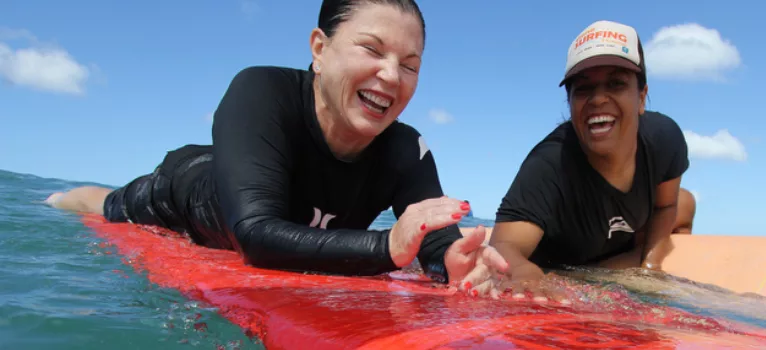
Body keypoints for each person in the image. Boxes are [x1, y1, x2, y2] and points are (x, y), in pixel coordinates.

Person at [44, 0, 505, 286]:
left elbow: (431, 243)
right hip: (184, 194)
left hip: (256, 199)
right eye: (372, 49)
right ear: (320, 49)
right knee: (104, 205)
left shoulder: (408, 148)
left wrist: (451, 260)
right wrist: (386, 247)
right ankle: (68, 196)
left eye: (410, 64)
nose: (390, 75)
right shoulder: (261, 92)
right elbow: (256, 236)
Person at [474, 20, 690, 302]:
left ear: (641, 98)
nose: (599, 99)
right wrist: (527, 274)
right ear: (570, 103)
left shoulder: (665, 139)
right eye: (584, 89)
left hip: (622, 235)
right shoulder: (550, 164)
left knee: (685, 204)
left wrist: (649, 266)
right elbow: (503, 246)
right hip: (566, 263)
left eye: (616, 83)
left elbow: (667, 205)